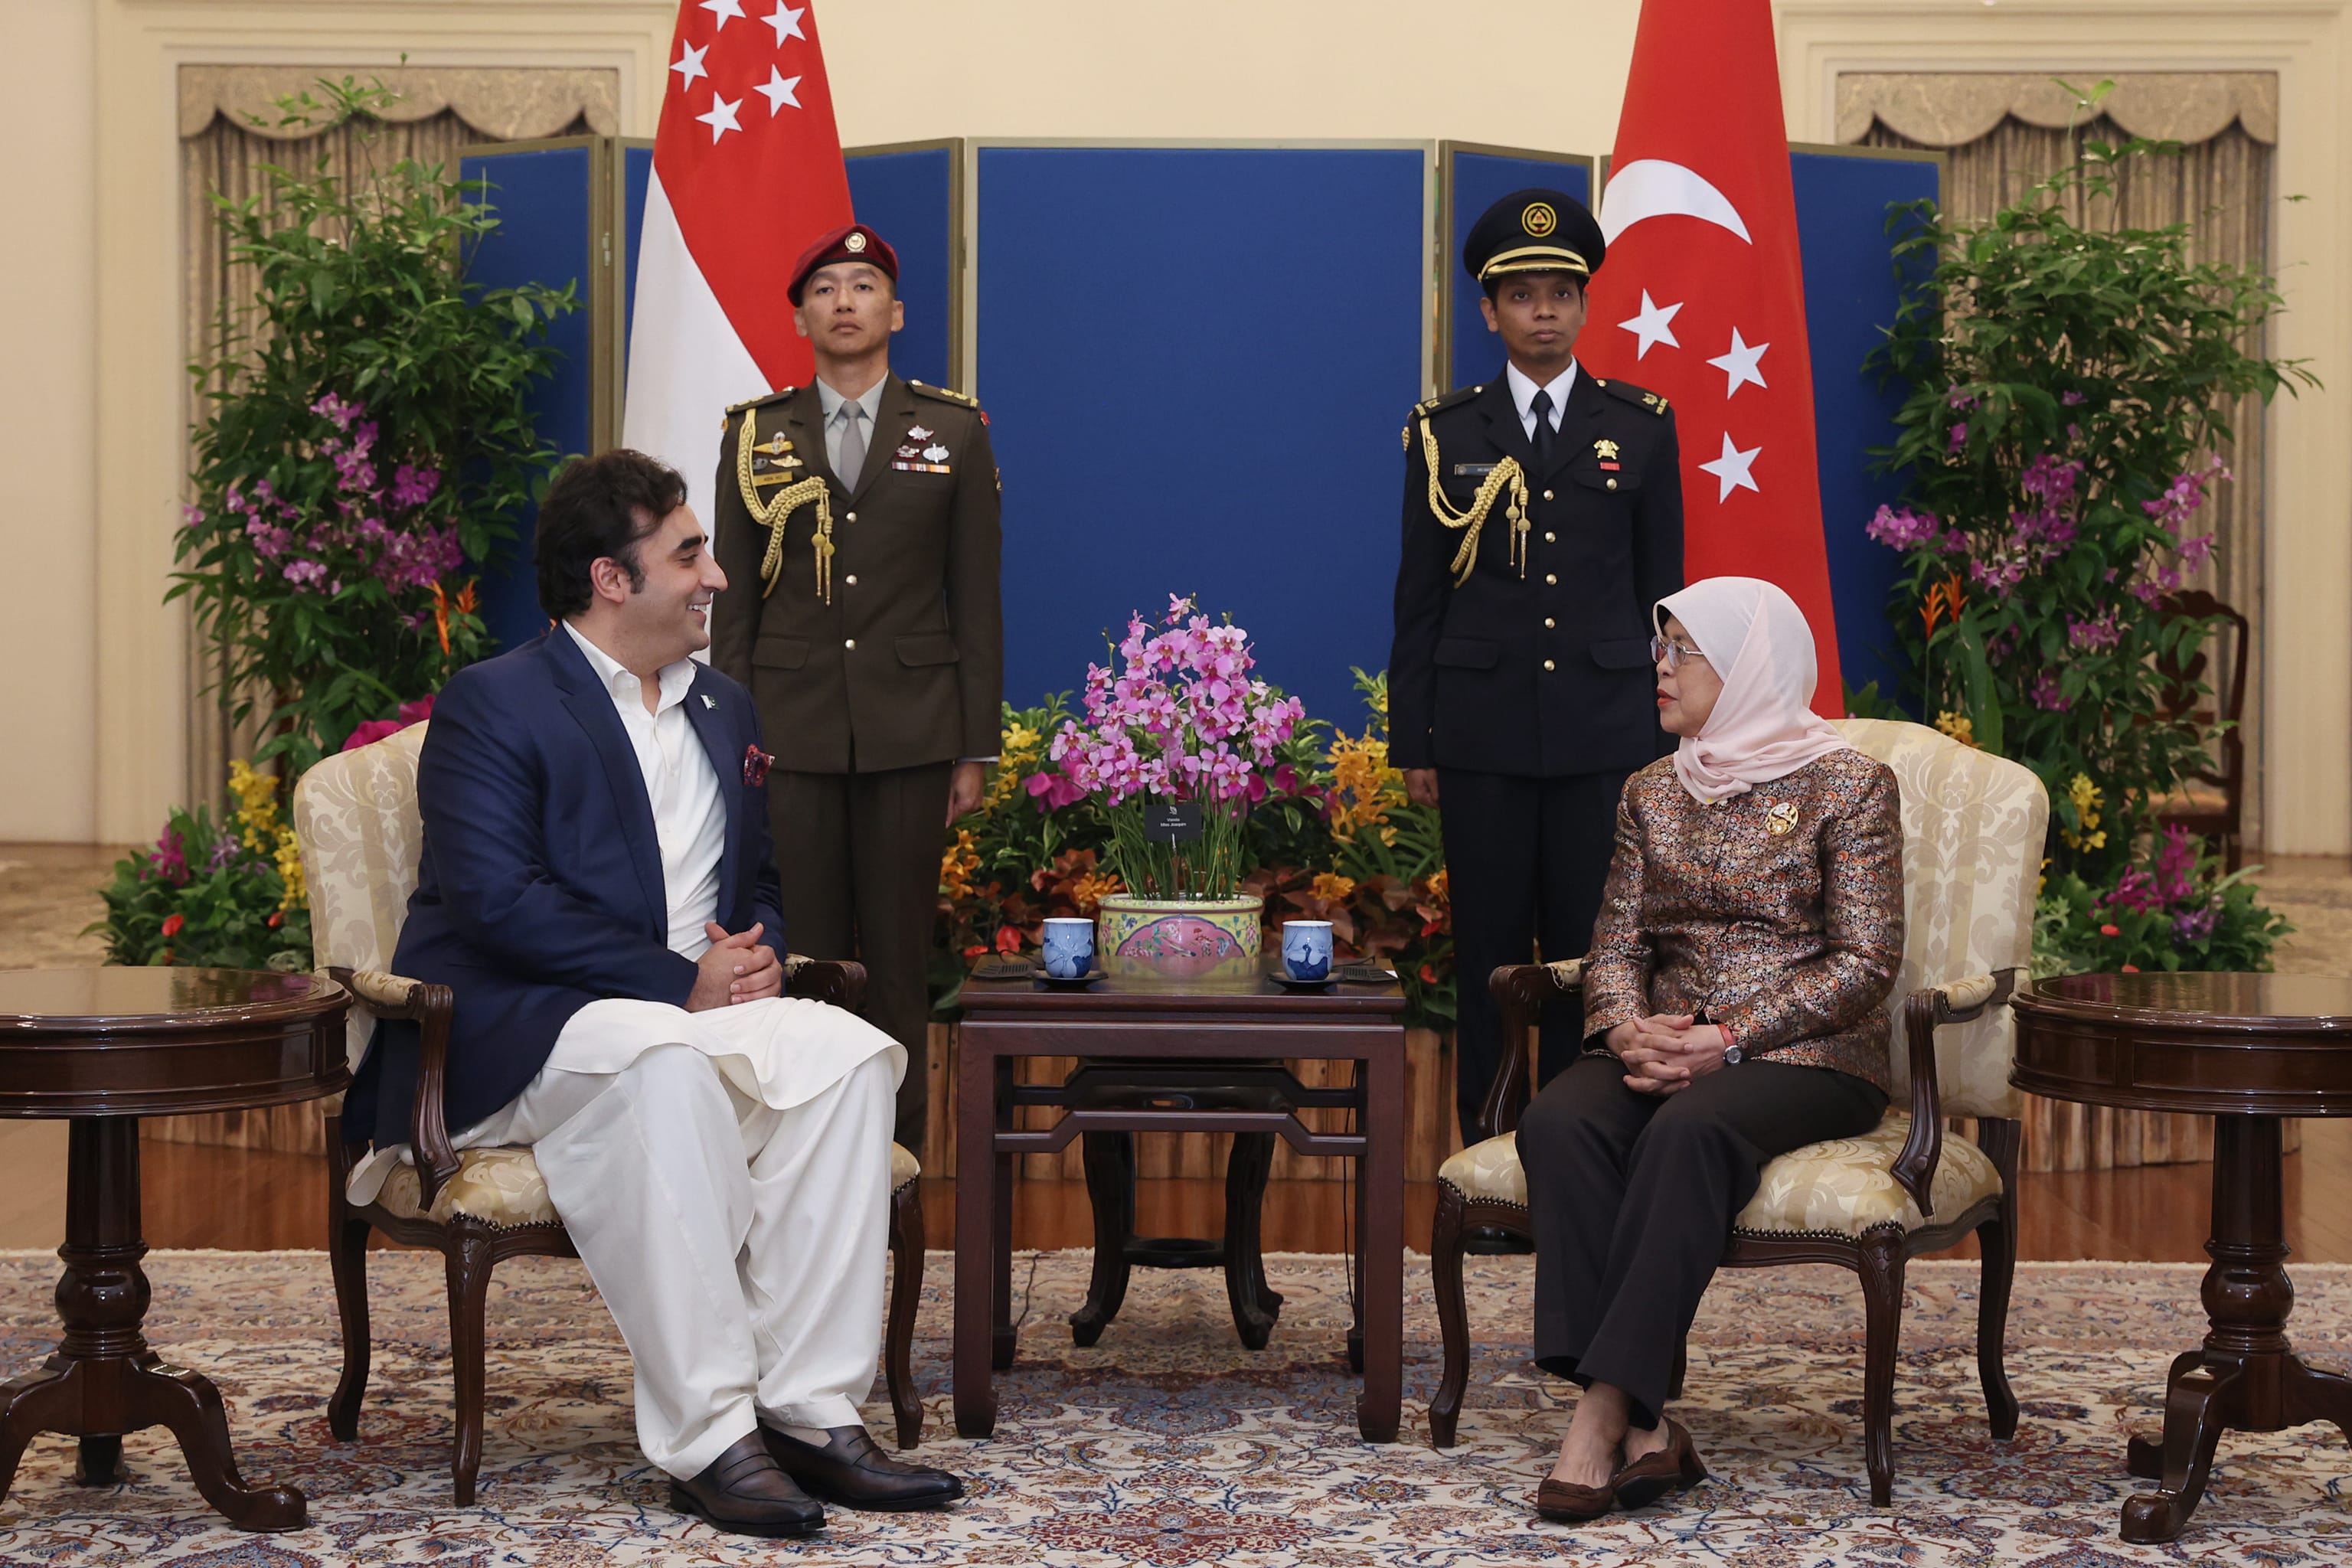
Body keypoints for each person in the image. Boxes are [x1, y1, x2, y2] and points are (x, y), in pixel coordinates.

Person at [341, 450, 964, 1537]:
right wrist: (683, 982)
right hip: (519, 1029)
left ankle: (810, 1412)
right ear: (610, 579)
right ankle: (712, 1436)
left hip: (683, 1017)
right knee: (663, 1064)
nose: (716, 576)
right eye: (689, 553)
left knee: (850, 1060)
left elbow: (755, 883)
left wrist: (758, 950)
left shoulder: (727, 708)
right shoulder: (494, 703)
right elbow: (497, 902)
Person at [1513, 577, 1903, 1521]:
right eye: (1662, 647)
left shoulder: (1849, 785)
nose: (1660, 665)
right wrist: (1619, 1026)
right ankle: (1654, 1429)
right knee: (1557, 1119)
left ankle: (1603, 1417)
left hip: (1809, 1055)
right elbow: (1616, 943)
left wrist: (1730, 1038)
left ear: (1748, 665)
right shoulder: (1654, 787)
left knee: (1686, 1133)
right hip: (1667, 1042)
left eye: (1680, 649)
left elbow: (1867, 960)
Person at [1388, 188, 1684, 1157]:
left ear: (1588, 305)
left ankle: (1578, 1154)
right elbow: (1420, 595)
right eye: (1523, 296)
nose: (1544, 311)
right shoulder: (1446, 431)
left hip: (1606, 732)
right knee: (1486, 953)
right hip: (1481, 733)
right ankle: (1485, 1151)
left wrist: (1668, 730)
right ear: (1490, 312)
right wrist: (1414, 738)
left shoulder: (1638, 424)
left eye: (1563, 292)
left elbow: (1662, 592)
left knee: (1592, 958)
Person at [710, 221, 1003, 1155]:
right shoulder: (754, 434)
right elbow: (732, 605)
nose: (845, 300)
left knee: (897, 959)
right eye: (826, 287)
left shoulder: (953, 429)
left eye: (864, 284)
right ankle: (798, 1152)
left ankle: (892, 1160)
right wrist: (729, 736)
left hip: (913, 730)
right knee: (799, 955)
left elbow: (977, 598)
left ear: (897, 311)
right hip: (787, 730)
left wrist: (974, 743)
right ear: (800, 316)